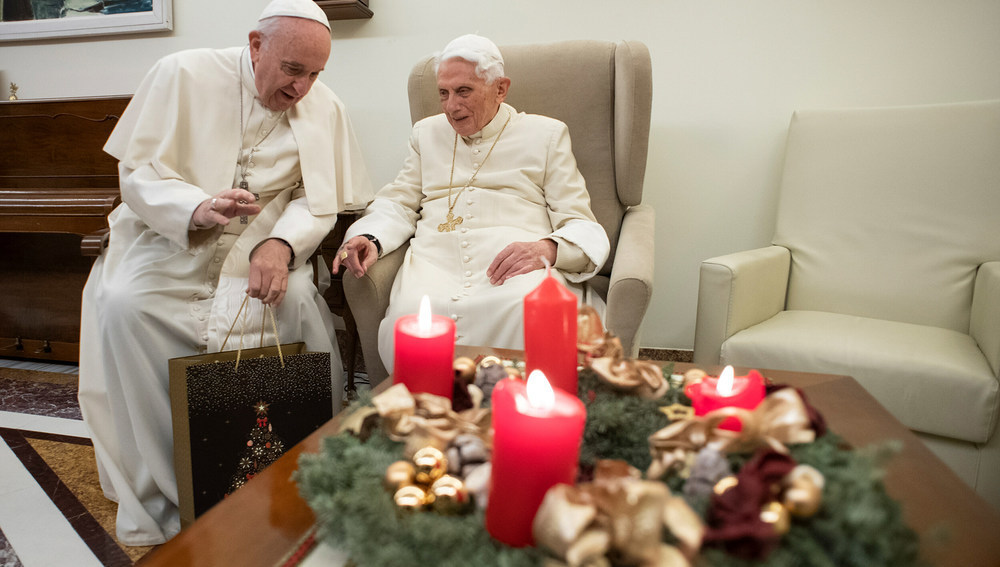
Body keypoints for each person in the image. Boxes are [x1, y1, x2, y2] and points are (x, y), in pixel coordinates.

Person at [77, 0, 372, 546]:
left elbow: (319, 200)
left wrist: (281, 245)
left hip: (262, 241)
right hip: (168, 237)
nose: (303, 89)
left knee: (294, 304)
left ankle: (282, 479)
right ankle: (175, 486)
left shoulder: (323, 106)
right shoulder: (182, 73)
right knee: (124, 304)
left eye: (315, 75)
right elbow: (138, 173)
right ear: (257, 45)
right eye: (293, 70)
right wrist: (194, 208)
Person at [334, 34, 609, 373]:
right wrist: (371, 237)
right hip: (435, 261)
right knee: (411, 312)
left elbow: (578, 219)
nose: (451, 106)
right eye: (443, 93)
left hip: (514, 265)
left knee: (525, 308)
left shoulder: (546, 135)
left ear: (501, 88)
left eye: (463, 91)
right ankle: (426, 417)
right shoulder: (426, 133)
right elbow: (399, 202)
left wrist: (548, 249)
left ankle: (513, 412)